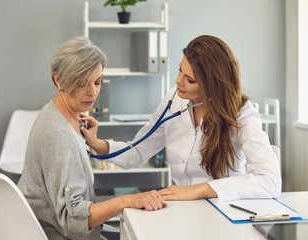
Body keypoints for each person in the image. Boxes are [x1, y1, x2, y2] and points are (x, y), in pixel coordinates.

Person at [82, 35, 282, 203]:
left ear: (213, 85)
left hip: (224, 209)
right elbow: (137, 152)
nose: (178, 81)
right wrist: (97, 143)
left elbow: (269, 181)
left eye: (190, 79)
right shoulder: (172, 99)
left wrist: (199, 190)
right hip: (182, 208)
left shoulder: (241, 113)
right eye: (180, 70)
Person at [17, 36, 166, 240]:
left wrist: (92, 142)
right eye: (81, 84)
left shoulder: (56, 114)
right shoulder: (58, 133)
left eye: (97, 82)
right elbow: (72, 221)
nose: (93, 92)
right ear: (58, 79)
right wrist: (126, 201)